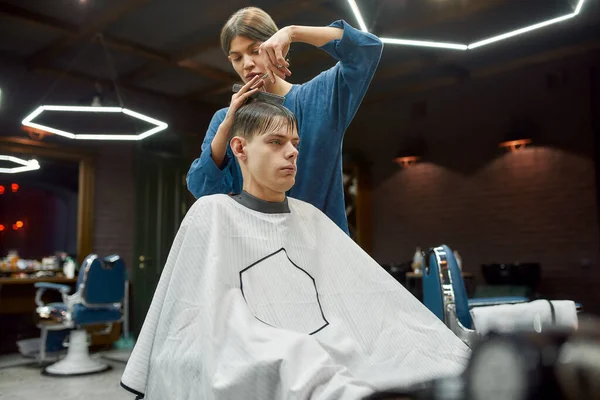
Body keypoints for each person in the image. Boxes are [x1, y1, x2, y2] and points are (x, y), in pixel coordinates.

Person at [122, 101, 470, 400]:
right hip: (273, 349)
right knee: (296, 355)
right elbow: (189, 315)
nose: (292, 152)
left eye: (295, 143)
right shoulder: (212, 213)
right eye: (275, 142)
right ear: (240, 149)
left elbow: (367, 298)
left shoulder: (310, 218)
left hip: (332, 343)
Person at [186, 6, 384, 234]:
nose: (247, 63)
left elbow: (367, 49)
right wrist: (227, 124)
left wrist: (292, 32)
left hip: (322, 250)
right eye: (236, 57)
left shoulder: (319, 97)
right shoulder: (226, 119)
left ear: (276, 45)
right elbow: (201, 187)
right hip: (257, 250)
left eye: (255, 50)